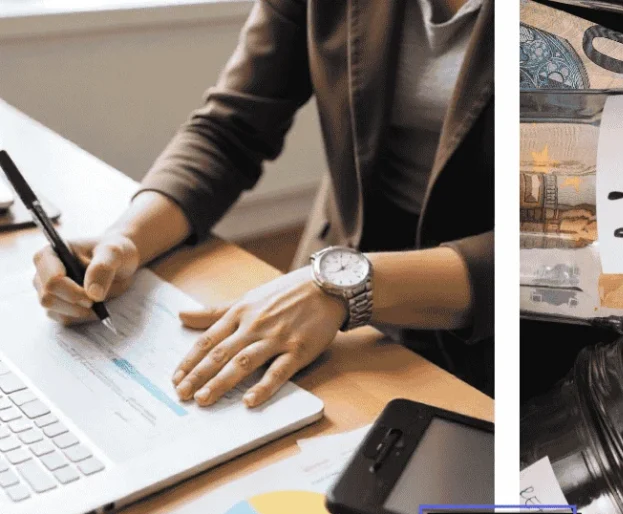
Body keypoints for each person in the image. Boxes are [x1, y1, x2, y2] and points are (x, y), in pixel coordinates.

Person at [30, 0, 494, 406]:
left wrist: (343, 288)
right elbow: (231, 129)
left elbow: (565, 246)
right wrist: (126, 239)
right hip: (339, 265)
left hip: (502, 315)